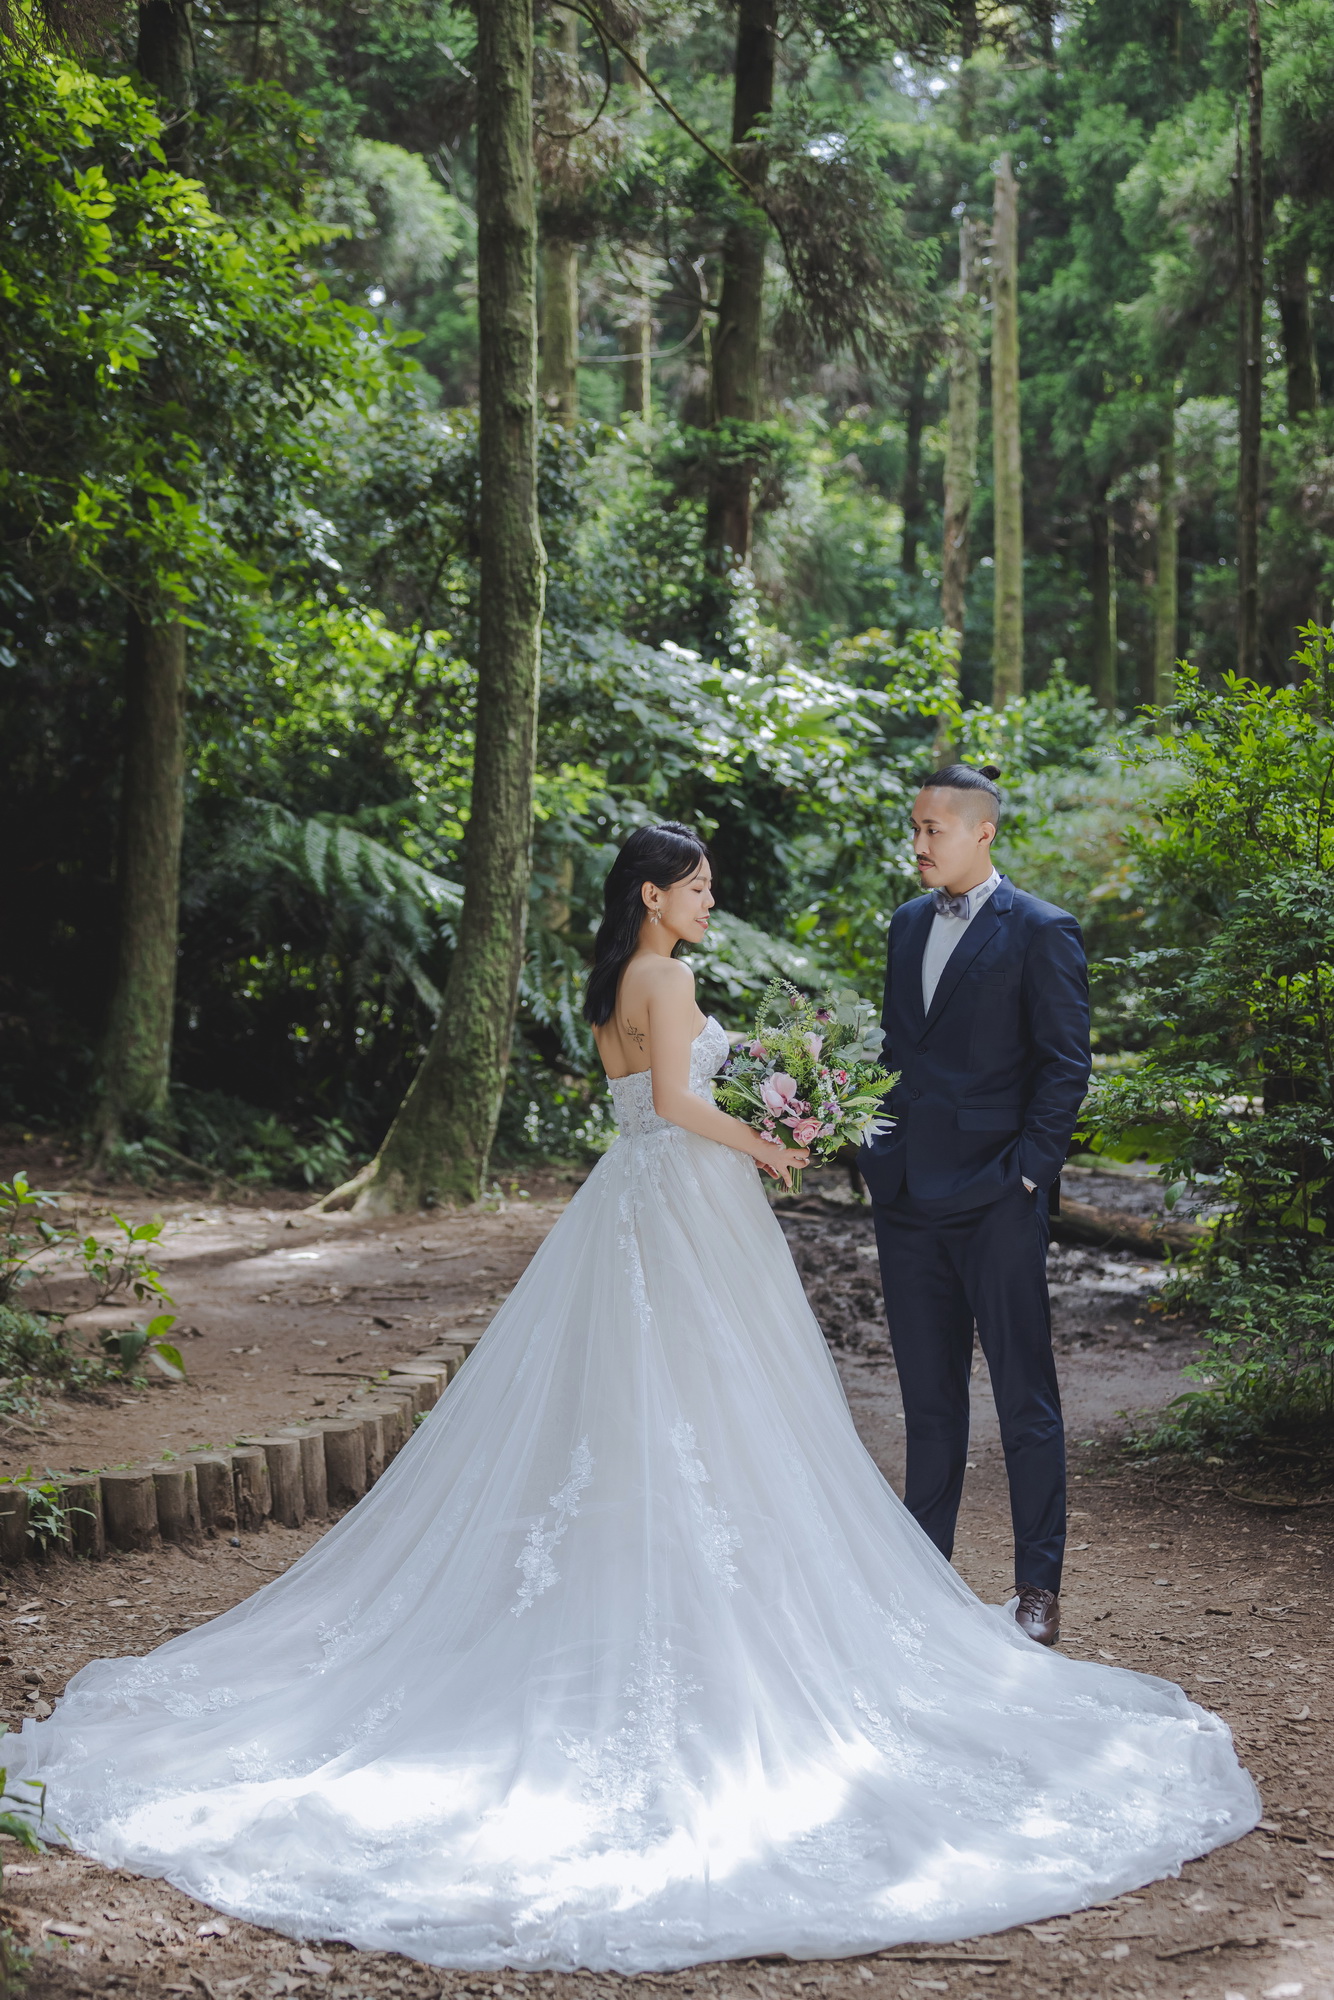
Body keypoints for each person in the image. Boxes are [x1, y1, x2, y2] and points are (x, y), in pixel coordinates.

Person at [7, 822, 1257, 1973]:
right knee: (707, 1406)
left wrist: (766, 1100)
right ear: (655, 897)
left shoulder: (626, 981)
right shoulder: (662, 979)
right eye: (700, 885)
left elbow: (644, 1096)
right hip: (681, 1202)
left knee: (647, 1411)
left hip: (640, 1206)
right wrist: (768, 1139)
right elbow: (671, 1103)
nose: (713, 899)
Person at [859, 765, 1089, 1648]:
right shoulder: (906, 922)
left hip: (998, 1197)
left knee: (1025, 1398)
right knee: (929, 1401)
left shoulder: (1041, 931)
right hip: (907, 1198)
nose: (917, 846)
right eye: (913, 829)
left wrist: (1028, 1175)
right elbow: (894, 1051)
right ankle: (925, 1579)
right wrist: (872, 1153)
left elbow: (1065, 1064)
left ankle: (1038, 1589)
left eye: (932, 831)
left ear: (981, 833)